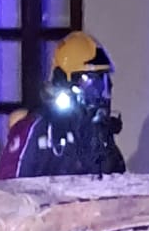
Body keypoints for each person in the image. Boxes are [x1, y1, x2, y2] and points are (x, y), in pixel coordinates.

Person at [16, 32, 126, 179]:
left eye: (102, 83)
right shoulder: (40, 131)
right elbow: (8, 191)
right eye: (88, 83)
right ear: (63, 82)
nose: (98, 94)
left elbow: (118, 192)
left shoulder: (102, 139)